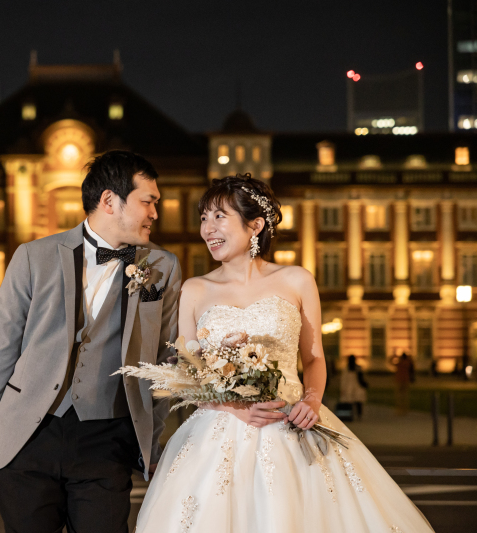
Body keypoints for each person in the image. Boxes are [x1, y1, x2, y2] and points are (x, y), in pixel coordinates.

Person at [135, 174, 434, 533]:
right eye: (203, 217)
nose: (207, 228)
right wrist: (235, 407)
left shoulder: (297, 280)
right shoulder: (195, 289)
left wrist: (312, 400)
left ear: (255, 225)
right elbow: (188, 372)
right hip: (219, 432)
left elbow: (314, 358)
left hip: (292, 421)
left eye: (219, 217)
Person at [0, 150, 181, 533]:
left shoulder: (162, 267)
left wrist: (149, 439)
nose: (155, 213)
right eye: (148, 202)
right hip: (26, 438)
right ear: (108, 201)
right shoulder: (32, 257)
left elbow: (166, 360)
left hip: (107, 440)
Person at [339, 354, 368, 420]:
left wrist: (342, 389)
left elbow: (343, 380)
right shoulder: (358, 368)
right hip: (358, 388)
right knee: (358, 403)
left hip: (349, 388)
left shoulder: (346, 369)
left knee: (350, 403)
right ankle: (359, 415)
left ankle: (350, 415)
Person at [394, 352, 415, 416]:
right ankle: (405, 410)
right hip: (406, 380)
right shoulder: (408, 362)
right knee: (405, 396)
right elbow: (412, 366)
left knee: (399, 396)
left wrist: (394, 356)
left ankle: (400, 410)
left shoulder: (400, 363)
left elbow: (390, 362)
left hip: (399, 380)